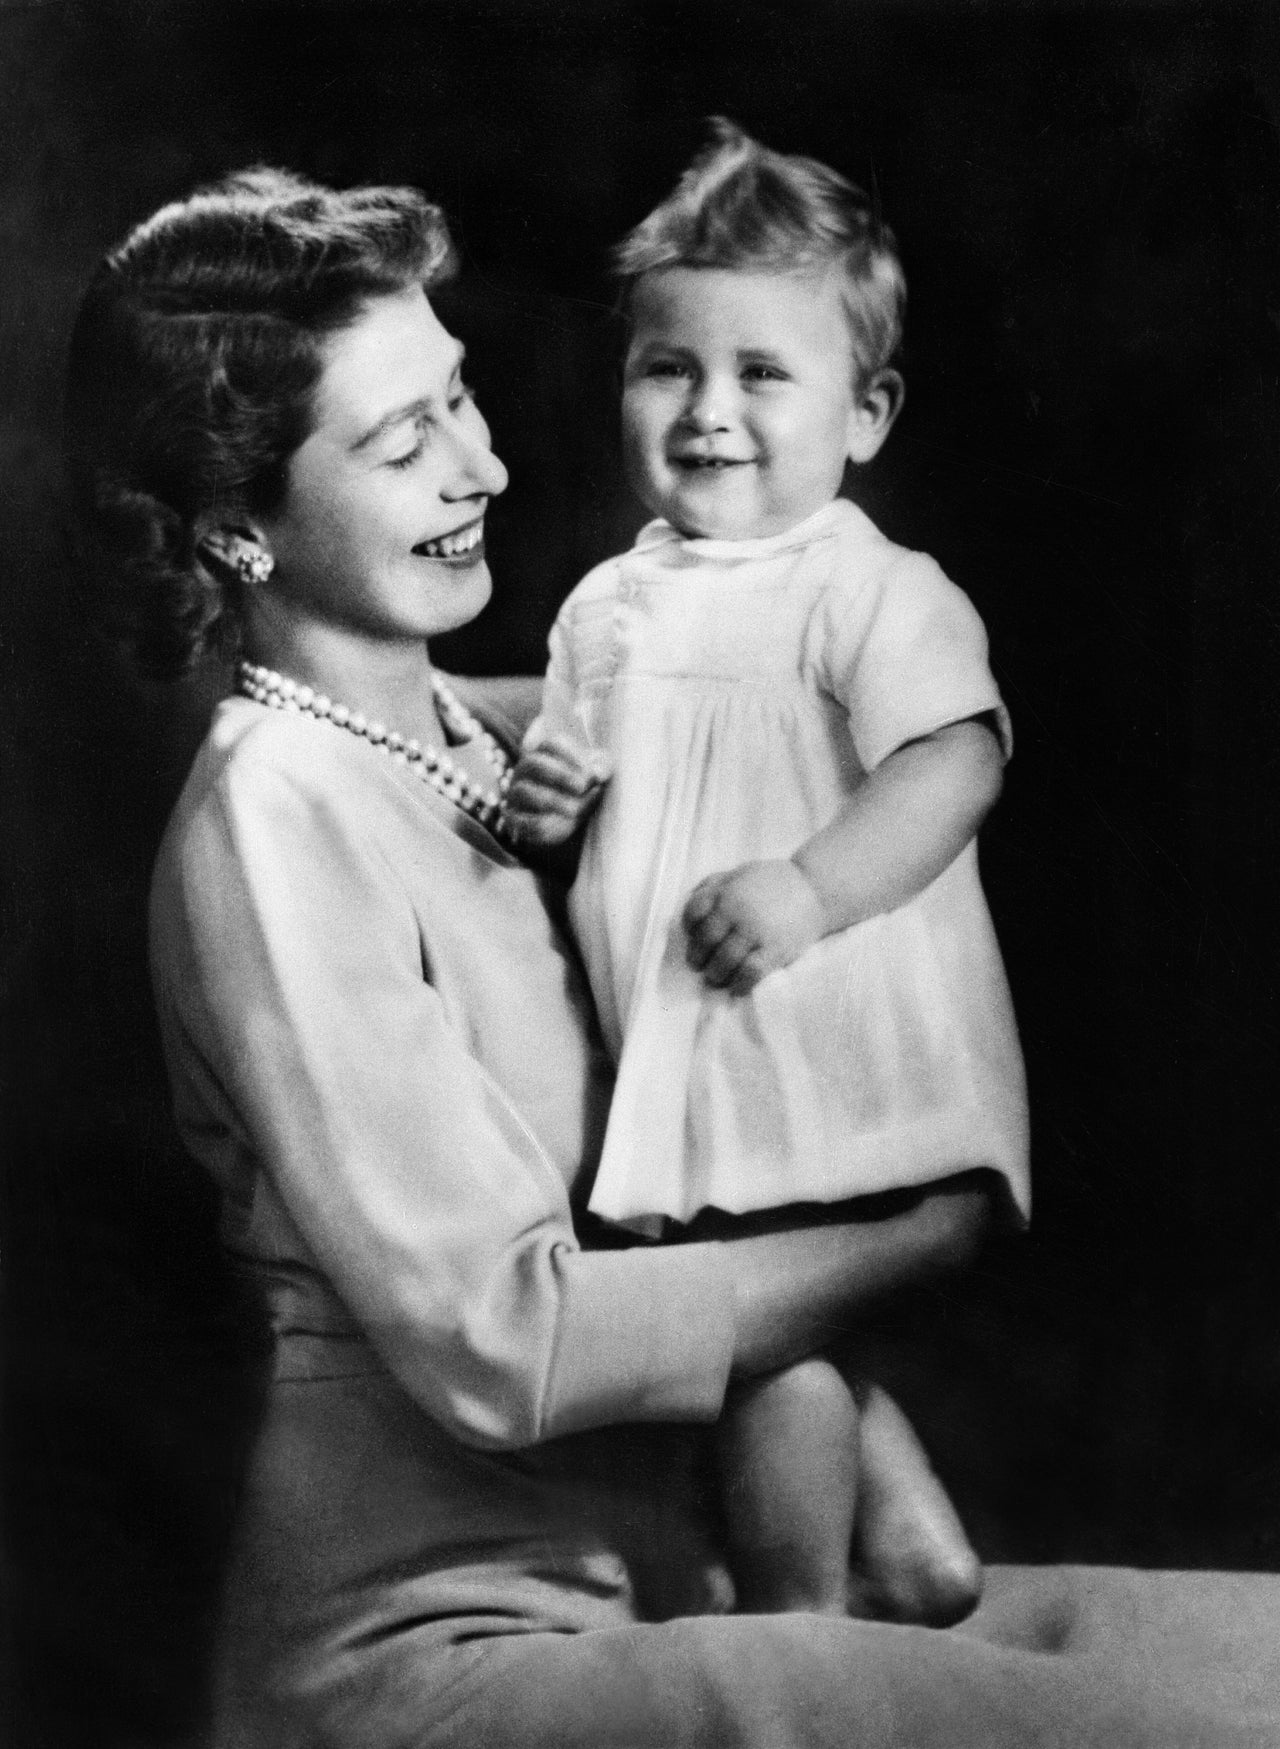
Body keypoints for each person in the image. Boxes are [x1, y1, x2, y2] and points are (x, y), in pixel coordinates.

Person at [63, 165, 1280, 1749]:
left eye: (463, 400)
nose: (482, 465)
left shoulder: (464, 727)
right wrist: (914, 1243)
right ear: (237, 529)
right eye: (402, 438)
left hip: (681, 1572)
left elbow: (797, 719)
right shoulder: (276, 820)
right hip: (435, 1653)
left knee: (1250, 1654)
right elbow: (508, 1342)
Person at [506, 120, 1030, 1620]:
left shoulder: (863, 585)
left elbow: (957, 760)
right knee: (782, 1314)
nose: (709, 411)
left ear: (865, 414)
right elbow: (581, 781)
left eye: (762, 373)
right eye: (668, 366)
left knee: (758, 1329)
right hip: (697, 1049)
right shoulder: (607, 603)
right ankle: (915, 1551)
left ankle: (798, 1617)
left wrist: (809, 886)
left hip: (818, 1032)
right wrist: (552, 794)